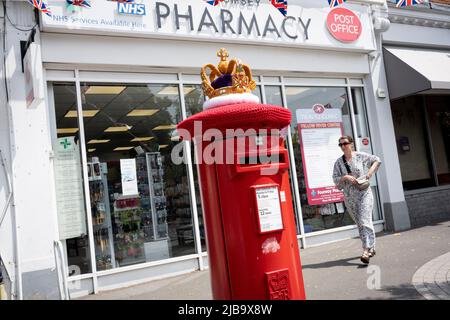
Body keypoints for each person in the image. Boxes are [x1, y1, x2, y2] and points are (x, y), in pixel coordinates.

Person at [332, 136, 382, 264]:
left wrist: (370, 173)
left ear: (351, 144)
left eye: (345, 143)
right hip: (350, 198)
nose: (343, 146)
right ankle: (371, 248)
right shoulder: (338, 162)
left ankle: (366, 250)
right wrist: (345, 177)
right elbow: (337, 183)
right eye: (340, 145)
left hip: (364, 194)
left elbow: (377, 160)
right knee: (360, 224)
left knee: (365, 220)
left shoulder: (360, 156)